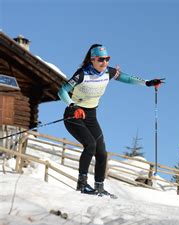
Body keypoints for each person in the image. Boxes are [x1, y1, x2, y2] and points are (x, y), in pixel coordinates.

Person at [58, 44, 163, 196]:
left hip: (91, 115)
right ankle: (82, 185)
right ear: (92, 59)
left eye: (107, 59)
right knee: (90, 145)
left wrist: (146, 82)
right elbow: (62, 91)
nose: (104, 63)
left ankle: (99, 187)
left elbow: (126, 78)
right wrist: (73, 106)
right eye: (101, 59)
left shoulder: (108, 72)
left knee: (102, 152)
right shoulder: (82, 74)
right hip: (74, 115)